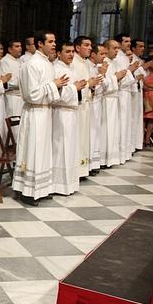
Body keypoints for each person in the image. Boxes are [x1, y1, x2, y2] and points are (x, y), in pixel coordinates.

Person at [12, 30, 66, 206]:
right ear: (39, 44)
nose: (54, 45)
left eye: (54, 41)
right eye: (50, 41)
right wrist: (54, 85)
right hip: (35, 113)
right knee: (33, 150)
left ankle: (41, 188)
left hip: (45, 112)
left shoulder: (47, 63)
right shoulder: (32, 64)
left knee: (43, 151)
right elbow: (31, 94)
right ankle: (27, 191)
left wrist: (57, 86)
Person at [52, 41, 86, 196]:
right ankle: (58, 184)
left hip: (72, 113)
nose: (71, 54)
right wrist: (75, 88)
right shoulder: (57, 69)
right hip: (61, 113)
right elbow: (58, 95)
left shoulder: (71, 68)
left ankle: (69, 182)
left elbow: (78, 90)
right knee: (61, 147)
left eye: (72, 51)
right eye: (67, 51)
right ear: (59, 53)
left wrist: (81, 88)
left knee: (71, 147)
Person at [72, 36, 100, 178]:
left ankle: (82, 169)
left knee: (84, 138)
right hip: (77, 107)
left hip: (85, 106)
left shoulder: (85, 63)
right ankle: (76, 170)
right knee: (78, 138)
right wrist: (89, 84)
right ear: (78, 47)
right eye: (87, 45)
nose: (90, 48)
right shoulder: (74, 64)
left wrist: (92, 87)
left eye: (90, 45)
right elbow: (76, 85)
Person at [114, 33, 140, 162]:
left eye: (129, 41)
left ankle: (124, 152)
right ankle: (119, 152)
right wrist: (131, 70)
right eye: (126, 41)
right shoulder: (118, 57)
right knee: (121, 122)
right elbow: (120, 77)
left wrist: (131, 70)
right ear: (119, 43)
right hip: (121, 93)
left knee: (126, 122)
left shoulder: (124, 57)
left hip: (127, 94)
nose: (129, 44)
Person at [101, 39, 124, 167]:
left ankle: (110, 158)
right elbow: (104, 83)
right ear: (106, 48)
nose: (117, 51)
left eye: (118, 48)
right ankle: (103, 159)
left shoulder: (115, 63)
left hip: (114, 100)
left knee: (113, 129)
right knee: (106, 129)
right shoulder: (104, 63)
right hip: (106, 100)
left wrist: (118, 78)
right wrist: (116, 77)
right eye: (114, 48)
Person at [86, 45, 107, 174]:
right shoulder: (87, 66)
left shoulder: (96, 67)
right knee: (90, 133)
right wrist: (102, 74)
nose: (104, 56)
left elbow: (105, 86)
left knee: (95, 133)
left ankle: (93, 162)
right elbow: (93, 87)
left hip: (97, 103)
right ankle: (88, 164)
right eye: (102, 53)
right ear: (93, 54)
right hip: (90, 103)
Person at [0, 39, 24, 121]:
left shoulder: (21, 61)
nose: (20, 48)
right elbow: (6, 82)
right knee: (13, 125)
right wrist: (24, 83)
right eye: (17, 46)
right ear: (10, 49)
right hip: (12, 98)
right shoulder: (4, 61)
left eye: (20, 46)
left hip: (21, 97)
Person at [131, 39, 147, 150]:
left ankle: (135, 144)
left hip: (138, 91)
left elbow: (143, 74)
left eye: (143, 46)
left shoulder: (139, 60)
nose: (143, 48)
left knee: (137, 117)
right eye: (140, 46)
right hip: (130, 92)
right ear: (133, 48)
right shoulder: (131, 59)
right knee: (132, 118)